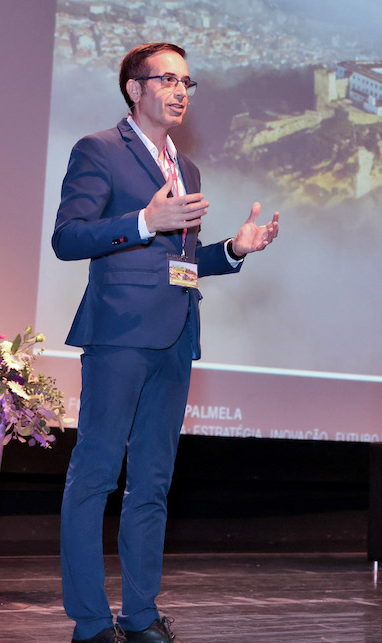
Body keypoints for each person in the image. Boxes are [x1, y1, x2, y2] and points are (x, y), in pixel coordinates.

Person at [52, 43, 280, 643]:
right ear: (134, 88)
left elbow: (177, 262)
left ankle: (141, 616)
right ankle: (92, 623)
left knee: (151, 484)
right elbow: (69, 239)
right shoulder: (99, 150)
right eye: (168, 80)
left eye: (188, 82)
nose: (181, 91)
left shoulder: (188, 168)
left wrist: (232, 250)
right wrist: (142, 222)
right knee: (95, 476)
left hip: (177, 336)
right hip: (120, 334)